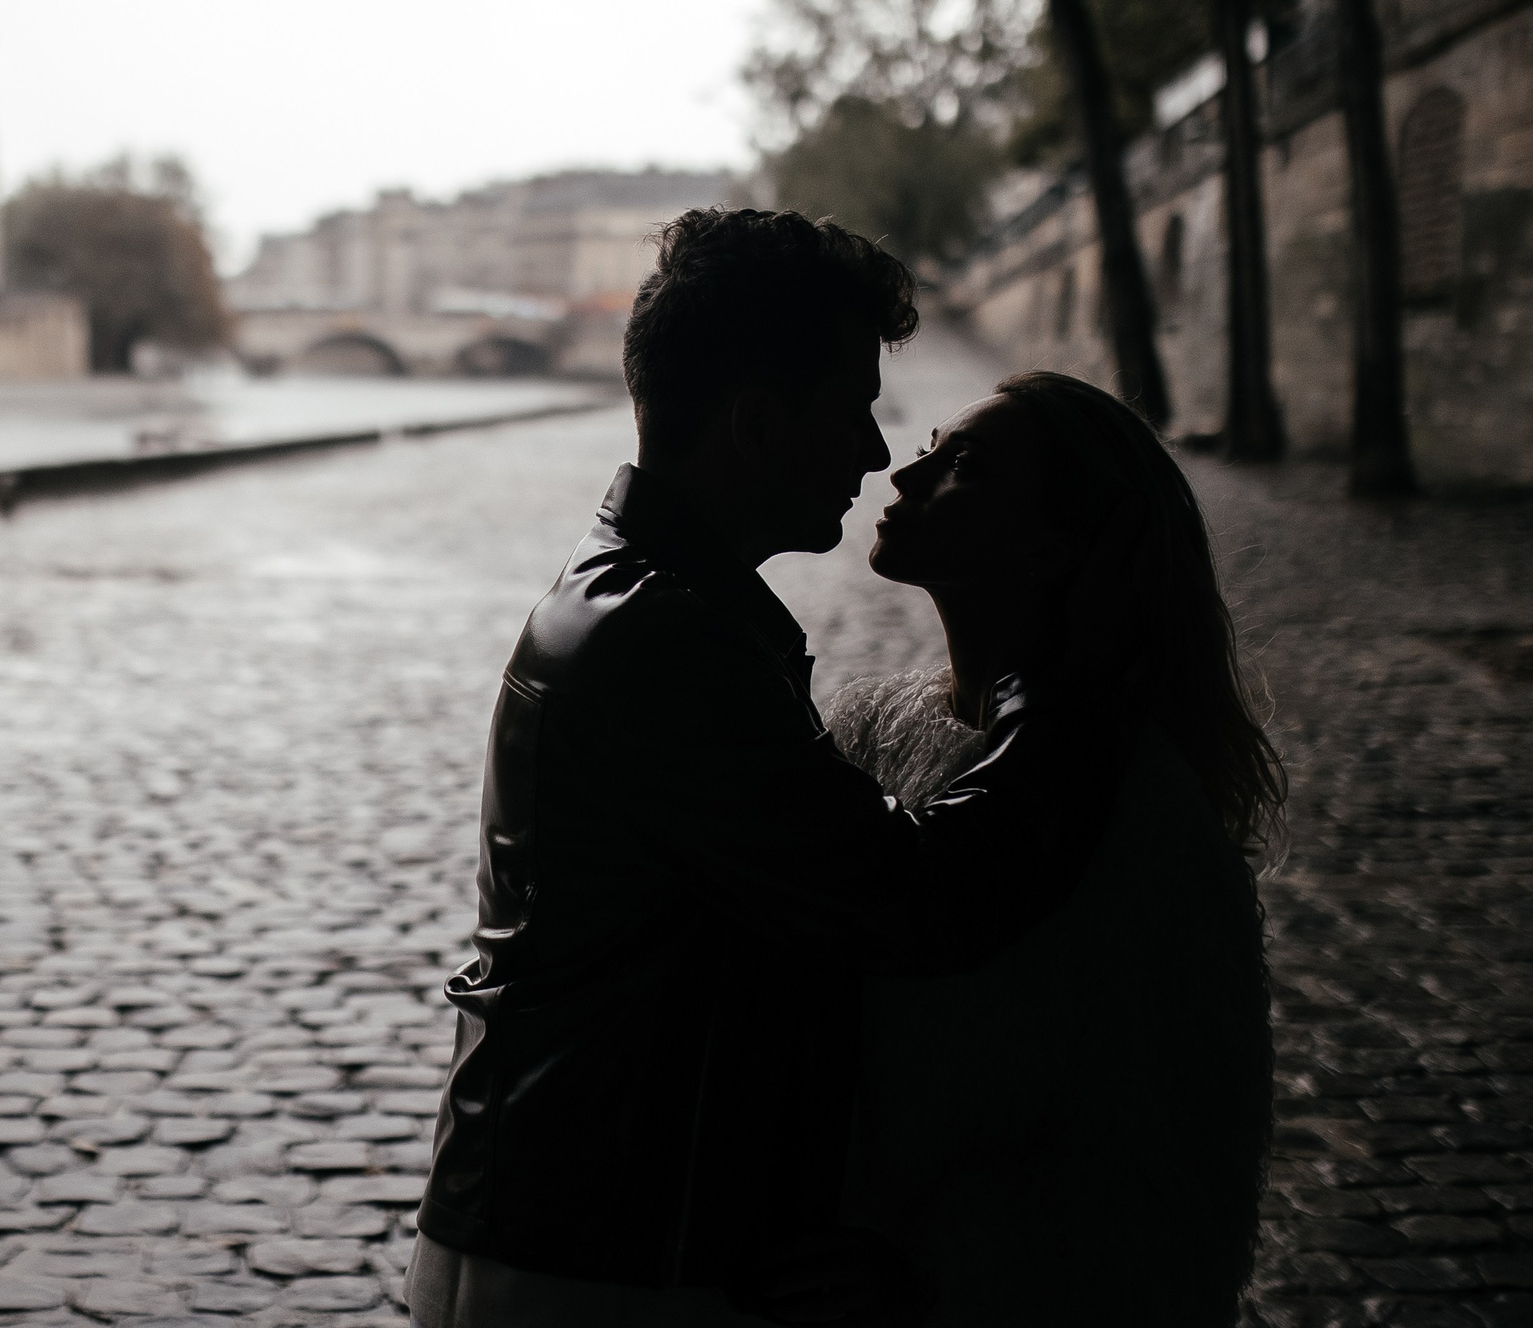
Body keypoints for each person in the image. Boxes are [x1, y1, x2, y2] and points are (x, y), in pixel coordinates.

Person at [410, 211, 1130, 1327]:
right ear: (755, 423)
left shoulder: (643, 602)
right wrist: (1053, 698)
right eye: (852, 410)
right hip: (604, 1261)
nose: (875, 455)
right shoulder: (668, 639)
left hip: (575, 1221)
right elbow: (911, 900)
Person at [823, 371, 1283, 1325]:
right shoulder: (867, 725)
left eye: (964, 464)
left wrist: (924, 1272)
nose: (906, 474)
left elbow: (1172, 1160)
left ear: (1058, 541)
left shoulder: (1143, 817)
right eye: (932, 448)